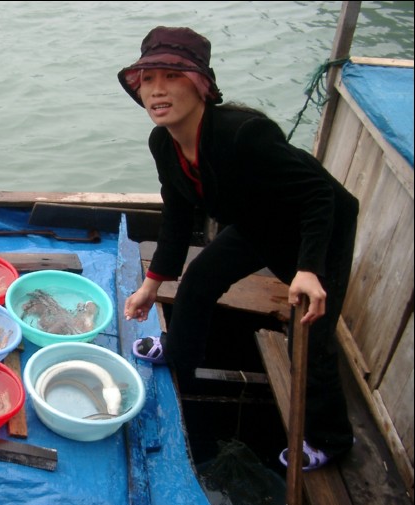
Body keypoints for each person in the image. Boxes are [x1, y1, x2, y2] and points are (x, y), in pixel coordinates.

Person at [119, 26, 358, 471]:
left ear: (201, 85)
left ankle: (331, 439)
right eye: (148, 79)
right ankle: (179, 353)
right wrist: (153, 282)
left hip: (317, 225)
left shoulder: (246, 133)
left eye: (171, 76)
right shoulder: (164, 143)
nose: (156, 90)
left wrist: (308, 267)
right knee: (197, 283)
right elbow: (176, 211)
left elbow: (318, 195)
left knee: (309, 337)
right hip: (256, 219)